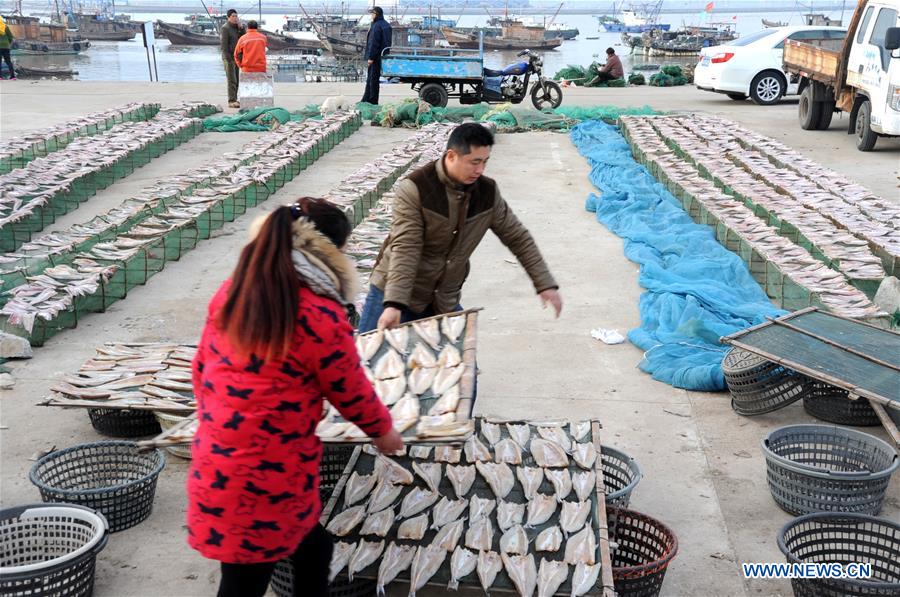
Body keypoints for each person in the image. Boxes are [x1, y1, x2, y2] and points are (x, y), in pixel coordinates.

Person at [187, 198, 403, 597]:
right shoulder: (318, 312)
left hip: (219, 458)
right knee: (243, 581)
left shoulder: (233, 292)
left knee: (311, 548)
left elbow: (200, 369)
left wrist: (225, 418)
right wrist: (383, 431)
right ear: (327, 252)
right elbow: (349, 388)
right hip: (266, 473)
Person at [358, 123, 563, 332]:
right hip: (394, 292)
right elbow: (406, 247)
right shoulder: (416, 188)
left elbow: (518, 237)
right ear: (451, 156)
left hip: (443, 299)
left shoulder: (487, 193)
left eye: (485, 162)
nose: (480, 170)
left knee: (458, 362)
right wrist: (395, 304)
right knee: (369, 360)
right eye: (474, 162)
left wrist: (544, 283)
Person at [361, 6, 392, 105]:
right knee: (373, 78)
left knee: (372, 80)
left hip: (375, 57)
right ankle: (366, 99)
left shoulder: (376, 26)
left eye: (372, 14)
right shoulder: (386, 25)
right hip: (382, 56)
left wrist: (371, 57)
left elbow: (374, 43)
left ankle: (372, 101)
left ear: (376, 14)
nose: (371, 16)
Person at [220, 9, 245, 108]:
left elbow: (243, 39)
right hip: (228, 57)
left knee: (237, 79)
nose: (235, 18)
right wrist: (227, 58)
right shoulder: (225, 28)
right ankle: (231, 100)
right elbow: (223, 45)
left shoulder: (237, 28)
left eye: (236, 16)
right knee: (231, 80)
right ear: (228, 17)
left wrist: (241, 28)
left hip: (236, 57)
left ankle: (235, 99)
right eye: (233, 16)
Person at [0, 16, 15, 81]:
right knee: (8, 62)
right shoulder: (5, 27)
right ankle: (13, 77)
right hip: (6, 46)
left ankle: (0, 77)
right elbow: (11, 37)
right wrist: (8, 44)